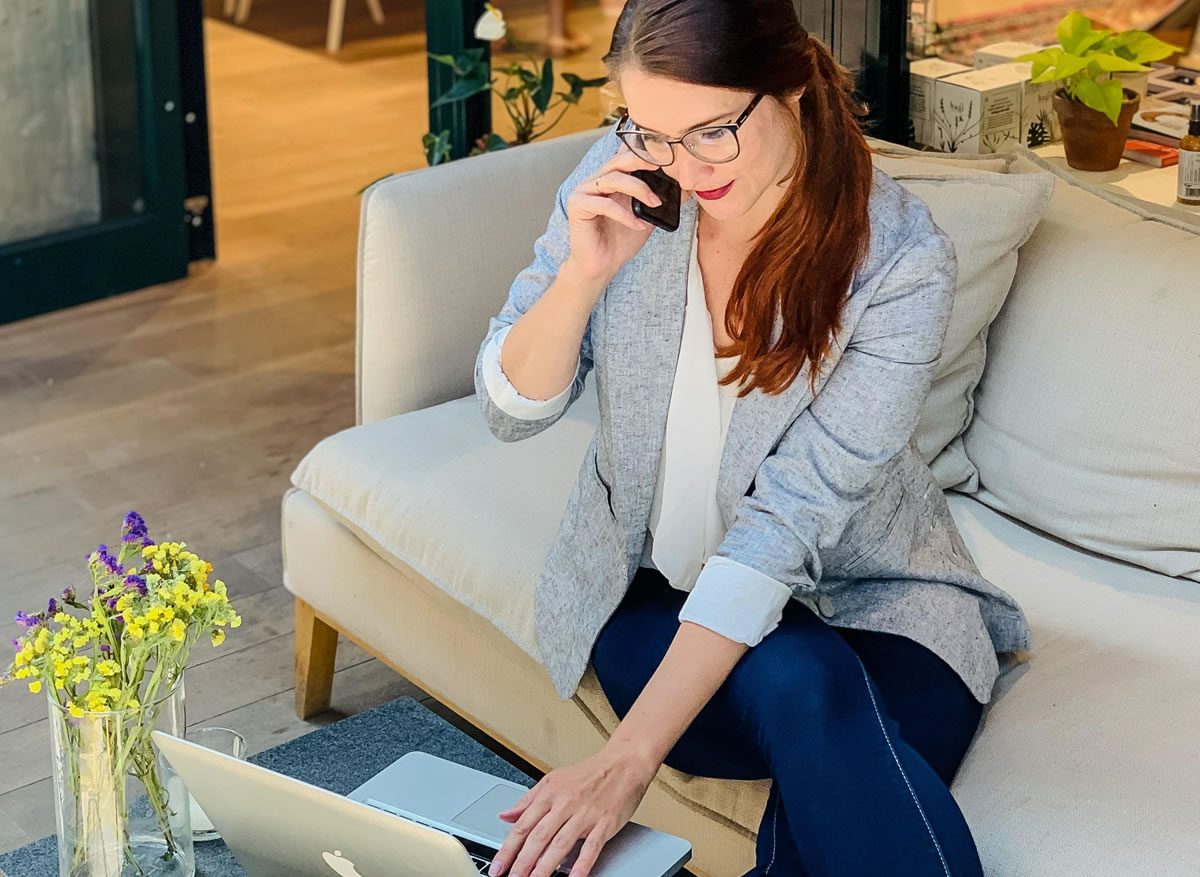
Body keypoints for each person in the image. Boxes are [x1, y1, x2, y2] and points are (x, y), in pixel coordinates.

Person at [473, 2, 1033, 875]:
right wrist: (582, 277)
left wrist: (625, 765)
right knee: (798, 679)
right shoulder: (626, 182)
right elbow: (511, 410)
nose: (683, 168)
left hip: (879, 608)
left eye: (712, 132)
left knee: (810, 705)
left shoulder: (897, 261)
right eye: (650, 132)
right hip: (653, 602)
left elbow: (783, 531)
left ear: (794, 89)